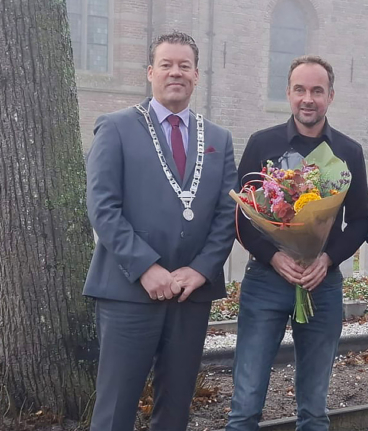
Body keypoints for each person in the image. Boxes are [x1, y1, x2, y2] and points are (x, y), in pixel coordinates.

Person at [84, 31, 237, 431]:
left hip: (191, 294)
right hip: (128, 292)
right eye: (166, 65)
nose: (176, 73)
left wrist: (201, 269)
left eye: (184, 66)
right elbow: (103, 207)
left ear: (197, 75)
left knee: (176, 408)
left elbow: (226, 215)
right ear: (150, 72)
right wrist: (145, 268)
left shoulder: (218, 138)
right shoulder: (116, 128)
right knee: (116, 407)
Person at [226, 55, 368, 431]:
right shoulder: (262, 144)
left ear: (331, 96)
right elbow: (242, 215)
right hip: (266, 281)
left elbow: (359, 222)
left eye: (317, 91)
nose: (309, 98)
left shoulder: (348, 153)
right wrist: (274, 257)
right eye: (301, 90)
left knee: (314, 408)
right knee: (245, 404)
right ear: (289, 94)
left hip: (322, 284)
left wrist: (328, 259)